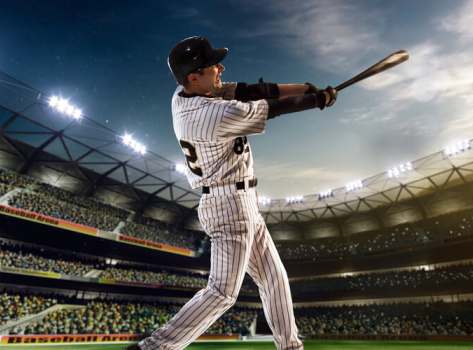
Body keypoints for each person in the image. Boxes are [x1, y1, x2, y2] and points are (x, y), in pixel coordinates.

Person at [131, 36, 336, 350]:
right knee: (222, 292)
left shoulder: (185, 93)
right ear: (193, 77)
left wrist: (304, 86)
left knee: (274, 279)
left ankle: (291, 347)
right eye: (212, 64)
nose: (220, 67)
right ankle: (153, 348)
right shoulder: (206, 115)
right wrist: (316, 100)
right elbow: (269, 108)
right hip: (227, 204)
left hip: (242, 200)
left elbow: (251, 90)